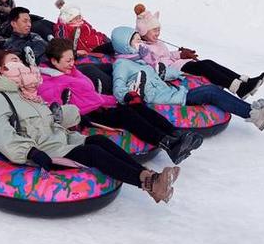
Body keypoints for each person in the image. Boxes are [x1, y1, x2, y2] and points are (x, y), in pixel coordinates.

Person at [0, 50, 181, 204]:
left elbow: (54, 122)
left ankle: (149, 177)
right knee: (92, 152)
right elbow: (1, 133)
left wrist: (59, 112)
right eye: (14, 61)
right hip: (44, 153)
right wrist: (31, 152)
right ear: (1, 70)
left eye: (20, 60)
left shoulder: (28, 94)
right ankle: (149, 182)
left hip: (60, 142)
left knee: (99, 140)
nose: (21, 64)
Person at [38, 38, 202, 164]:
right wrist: (79, 115)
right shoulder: (48, 83)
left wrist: (120, 98)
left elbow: (92, 95)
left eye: (73, 59)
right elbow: (56, 111)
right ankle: (169, 144)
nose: (72, 63)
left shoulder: (72, 71)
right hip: (86, 116)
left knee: (136, 106)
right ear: (54, 61)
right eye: (68, 61)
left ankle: (176, 134)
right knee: (126, 115)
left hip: (99, 106)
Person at [111, 26, 264, 132]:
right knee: (211, 92)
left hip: (170, 91)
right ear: (124, 44)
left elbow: (158, 72)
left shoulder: (139, 60)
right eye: (135, 40)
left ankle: (251, 108)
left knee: (209, 81)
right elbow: (118, 88)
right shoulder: (122, 64)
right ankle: (253, 114)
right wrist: (129, 96)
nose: (140, 42)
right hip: (161, 98)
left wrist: (177, 74)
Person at [134, 4, 264, 99]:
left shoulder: (157, 43)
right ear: (144, 31)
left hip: (178, 63)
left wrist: (180, 54)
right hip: (173, 69)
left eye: (158, 29)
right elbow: (155, 63)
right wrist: (176, 58)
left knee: (209, 62)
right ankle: (239, 88)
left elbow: (167, 55)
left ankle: (244, 82)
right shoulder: (144, 48)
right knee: (204, 67)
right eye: (154, 30)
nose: (158, 33)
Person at [5, 7, 113, 93]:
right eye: (25, 21)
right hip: (51, 71)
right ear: (13, 23)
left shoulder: (35, 35)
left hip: (63, 62)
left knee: (108, 67)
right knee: (90, 70)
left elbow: (55, 49)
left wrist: (75, 53)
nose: (29, 24)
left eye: (29, 21)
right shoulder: (12, 45)